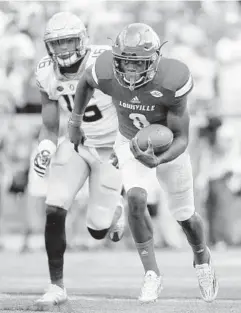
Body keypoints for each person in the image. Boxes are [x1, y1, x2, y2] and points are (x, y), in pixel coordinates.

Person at [68, 23, 219, 303]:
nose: (131, 71)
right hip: (128, 141)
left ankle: (202, 259)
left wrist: (158, 158)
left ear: (155, 60)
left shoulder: (173, 79)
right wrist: (75, 120)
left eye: (138, 64)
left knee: (185, 215)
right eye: (125, 63)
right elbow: (85, 83)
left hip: (168, 144)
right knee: (135, 199)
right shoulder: (104, 70)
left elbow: (182, 138)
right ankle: (152, 274)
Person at [33, 12, 125, 307]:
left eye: (68, 41)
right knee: (54, 206)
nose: (62, 49)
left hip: (109, 149)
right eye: (57, 43)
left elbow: (129, 100)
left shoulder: (105, 61)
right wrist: (45, 147)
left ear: (82, 39)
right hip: (76, 144)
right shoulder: (46, 72)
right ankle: (56, 285)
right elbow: (49, 125)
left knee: (97, 230)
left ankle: (114, 211)